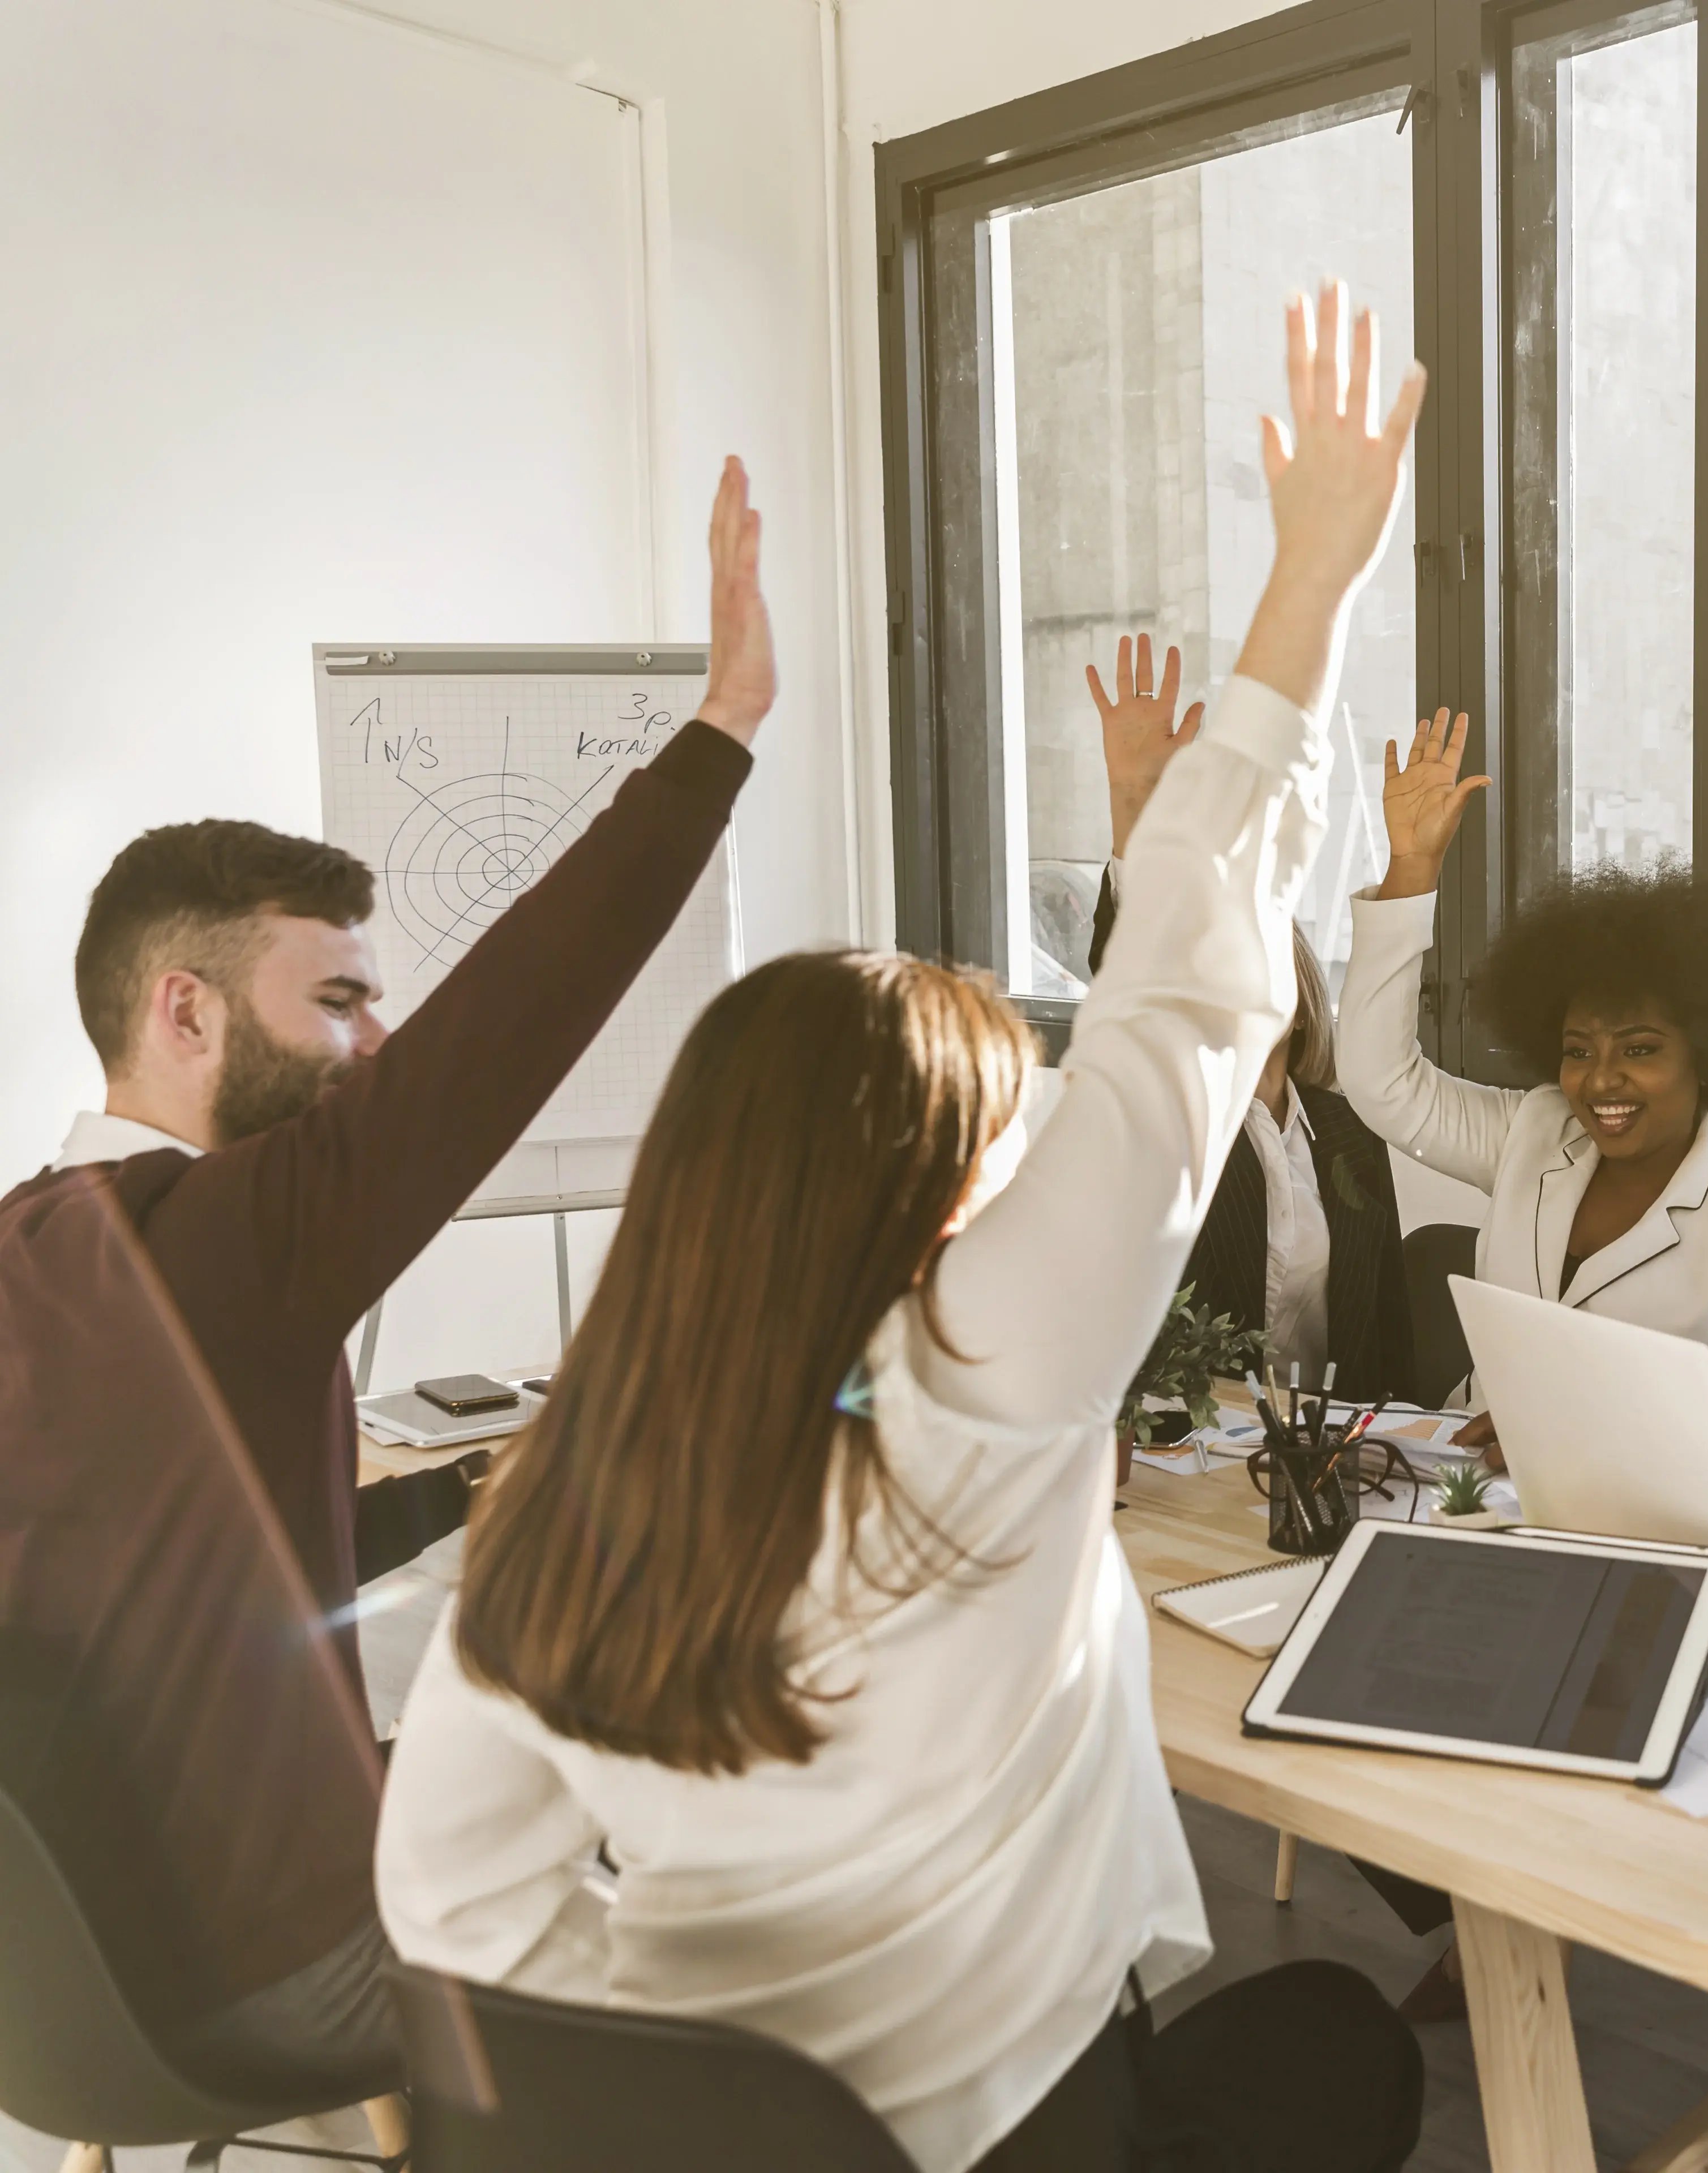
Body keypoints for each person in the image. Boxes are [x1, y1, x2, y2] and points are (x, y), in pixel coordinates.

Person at [375, 286, 1426, 2173]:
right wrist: (1314, 585)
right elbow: (1186, 1002)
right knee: (1346, 2046)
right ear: (937, 1196)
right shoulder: (982, 1379)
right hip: (1013, 2127)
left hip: (718, 2142)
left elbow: (453, 1903)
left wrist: (712, 2074)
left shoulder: (554, 1510)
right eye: (1002, 1160)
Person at [0, 459, 776, 2106]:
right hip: (283, 1964)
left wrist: (464, 1500)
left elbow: (189, 1553)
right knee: (737, 1872)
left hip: (81, 1989)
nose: (381, 1043)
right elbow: (496, 1045)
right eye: (338, 999)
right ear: (187, 1015)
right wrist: (720, 729)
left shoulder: (39, 1247)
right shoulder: (215, 1255)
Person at [1337, 710, 1708, 1470]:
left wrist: (1582, 1428)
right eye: (1577, 1050)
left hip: (1639, 1524)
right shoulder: (1533, 1133)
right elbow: (1379, 1083)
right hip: (1469, 1499)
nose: (1601, 1079)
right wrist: (1411, 874)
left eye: (1639, 1049)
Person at [1082, 634, 1414, 1401]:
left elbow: (1385, 1324)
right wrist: (1133, 799)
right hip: (1198, 1451)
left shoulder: (1350, 1131)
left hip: (1332, 1449)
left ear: (1298, 999)